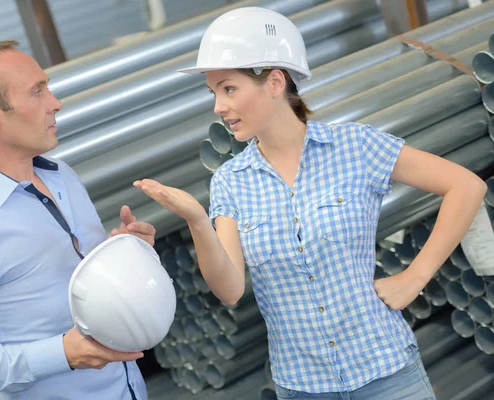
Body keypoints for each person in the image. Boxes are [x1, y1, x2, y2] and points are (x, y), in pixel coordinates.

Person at [134, 7, 487, 400]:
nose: (218, 106)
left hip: (388, 374)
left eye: (229, 88)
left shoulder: (354, 147)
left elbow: (465, 186)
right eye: (214, 92)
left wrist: (414, 277)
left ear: (274, 82)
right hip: (303, 387)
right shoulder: (231, 182)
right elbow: (230, 289)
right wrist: (198, 222)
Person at [0, 40, 155, 400]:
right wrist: (62, 354)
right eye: (37, 92)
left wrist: (125, 252)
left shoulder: (62, 175)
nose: (55, 103)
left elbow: (73, 284)